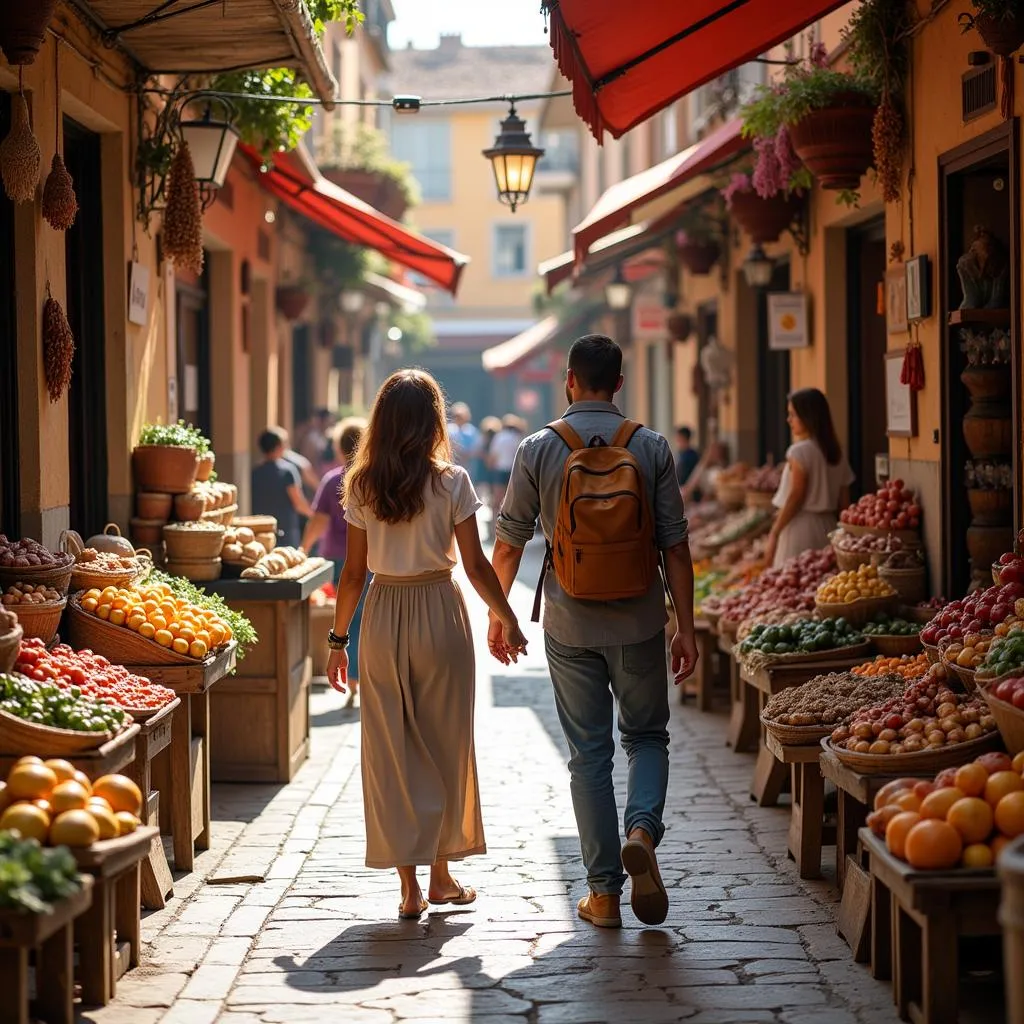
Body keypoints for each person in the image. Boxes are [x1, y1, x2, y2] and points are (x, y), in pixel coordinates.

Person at [488, 334, 698, 930]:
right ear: (621, 384)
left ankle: (604, 895)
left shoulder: (538, 448)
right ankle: (641, 832)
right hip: (638, 620)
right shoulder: (652, 446)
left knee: (589, 756)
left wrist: (500, 614)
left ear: (569, 382)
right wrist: (685, 626)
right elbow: (675, 546)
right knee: (648, 738)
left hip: (569, 621)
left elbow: (508, 543)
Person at [326, 369, 528, 920]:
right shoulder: (453, 481)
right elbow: (476, 564)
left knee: (391, 750)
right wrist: (506, 616)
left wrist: (337, 639)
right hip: (441, 611)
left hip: (384, 614)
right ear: (433, 420)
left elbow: (352, 574)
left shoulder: (362, 484)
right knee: (446, 744)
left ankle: (409, 888)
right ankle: (442, 878)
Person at [301, 418, 368, 705]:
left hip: (337, 558)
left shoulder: (333, 480)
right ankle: (358, 675)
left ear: (340, 449)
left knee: (345, 615)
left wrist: (303, 549)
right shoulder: (372, 479)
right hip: (368, 558)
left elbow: (318, 521)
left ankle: (351, 676)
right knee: (364, 615)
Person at [765, 387, 855, 568]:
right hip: (828, 527)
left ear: (808, 416)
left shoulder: (799, 451)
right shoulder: (836, 452)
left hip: (799, 528)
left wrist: (775, 531)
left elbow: (796, 496)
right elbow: (844, 503)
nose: (788, 420)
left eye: (793, 415)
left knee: (793, 585)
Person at [251, 427, 314, 548]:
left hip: (261, 531)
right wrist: (313, 515)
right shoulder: (288, 471)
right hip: (286, 532)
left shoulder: (255, 472)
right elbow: (299, 502)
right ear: (280, 446)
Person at [486, 414, 526, 517]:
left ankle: (495, 520)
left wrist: (490, 468)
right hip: (513, 470)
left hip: (500, 469)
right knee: (511, 499)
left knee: (497, 499)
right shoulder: (517, 437)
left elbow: (493, 456)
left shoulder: (499, 436)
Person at [681, 438, 729, 506]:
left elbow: (715, 493)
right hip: (702, 499)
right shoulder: (704, 467)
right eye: (711, 450)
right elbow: (691, 484)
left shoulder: (719, 471)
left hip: (713, 503)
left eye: (715, 451)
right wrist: (704, 462)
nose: (712, 453)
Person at [447, 402, 481, 480]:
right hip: (452, 463)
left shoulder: (472, 431)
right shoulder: (449, 430)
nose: (459, 419)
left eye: (462, 416)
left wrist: (467, 454)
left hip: (468, 464)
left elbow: (477, 448)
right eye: (457, 416)